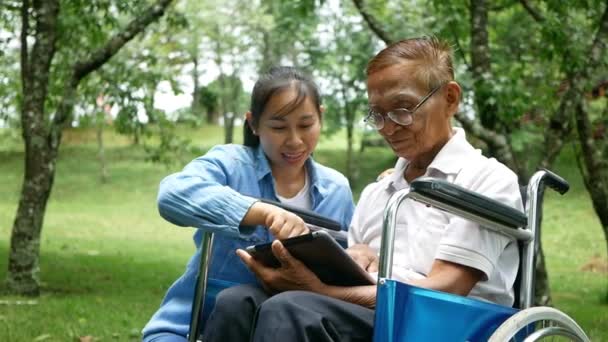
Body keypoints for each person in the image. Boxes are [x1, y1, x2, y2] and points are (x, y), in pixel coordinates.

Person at [203, 36, 523, 342]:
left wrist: (320, 291)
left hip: (444, 325)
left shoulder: (487, 181)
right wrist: (352, 258)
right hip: (371, 311)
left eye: (402, 108)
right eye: (377, 114)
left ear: (450, 98)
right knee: (237, 301)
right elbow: (356, 267)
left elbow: (443, 292)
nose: (388, 127)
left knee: (290, 309)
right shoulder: (380, 192)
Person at [142, 66, 355, 342]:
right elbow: (172, 195)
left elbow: (344, 272)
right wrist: (262, 213)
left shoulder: (336, 190)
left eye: (306, 125)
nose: (294, 140)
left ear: (321, 117)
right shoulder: (231, 165)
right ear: (253, 123)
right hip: (191, 329)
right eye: (278, 127)